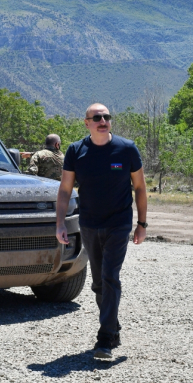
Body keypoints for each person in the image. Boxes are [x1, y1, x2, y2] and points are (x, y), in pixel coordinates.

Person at [56, 103, 147, 359]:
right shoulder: (76, 151)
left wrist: (142, 224)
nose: (103, 120)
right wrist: (60, 223)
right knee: (98, 284)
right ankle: (113, 326)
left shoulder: (126, 149)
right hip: (89, 223)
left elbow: (140, 187)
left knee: (110, 277)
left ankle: (104, 339)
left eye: (106, 116)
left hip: (119, 223)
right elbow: (65, 189)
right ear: (86, 122)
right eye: (97, 117)